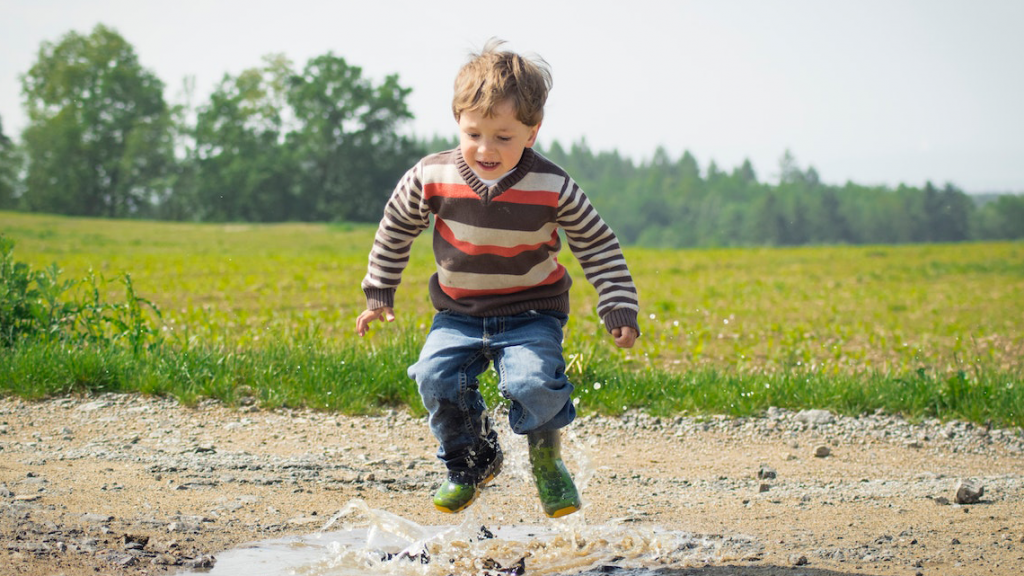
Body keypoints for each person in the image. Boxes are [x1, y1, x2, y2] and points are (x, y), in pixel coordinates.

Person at [356, 38, 640, 518]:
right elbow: (396, 226)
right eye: (473, 134)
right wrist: (379, 290)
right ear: (458, 124)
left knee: (531, 384)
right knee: (434, 377)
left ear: (532, 132)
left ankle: (547, 458)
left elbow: (597, 244)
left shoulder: (554, 186)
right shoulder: (431, 175)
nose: (485, 149)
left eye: (503, 137)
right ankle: (472, 461)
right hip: (458, 313)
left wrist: (617, 305)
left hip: (532, 312)